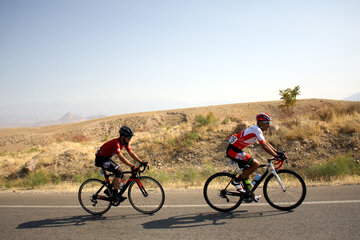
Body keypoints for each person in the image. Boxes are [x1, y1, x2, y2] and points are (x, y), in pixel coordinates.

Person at [226, 113, 286, 192]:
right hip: (233, 150)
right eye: (267, 123)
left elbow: (265, 142)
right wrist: (275, 156)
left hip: (235, 149)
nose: (268, 125)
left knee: (248, 169)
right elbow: (264, 145)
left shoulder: (257, 129)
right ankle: (236, 181)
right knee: (256, 164)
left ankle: (247, 191)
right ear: (261, 123)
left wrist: (277, 152)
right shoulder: (256, 130)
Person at [95, 125, 147, 202]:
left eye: (130, 138)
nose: (130, 140)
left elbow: (131, 153)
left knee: (120, 173)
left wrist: (141, 162)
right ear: (123, 137)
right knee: (118, 171)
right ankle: (115, 194)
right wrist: (132, 166)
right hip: (100, 159)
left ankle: (109, 190)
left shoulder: (124, 143)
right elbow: (121, 157)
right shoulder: (116, 143)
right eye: (129, 138)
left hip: (106, 158)